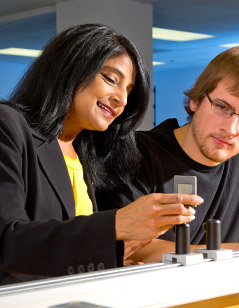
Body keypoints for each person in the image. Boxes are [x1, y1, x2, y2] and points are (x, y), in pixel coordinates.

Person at [0, 23, 202, 285]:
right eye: (111, 79)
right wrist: (117, 224)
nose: (121, 99)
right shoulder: (8, 125)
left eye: (128, 90)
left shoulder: (86, 151)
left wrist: (118, 252)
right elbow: (8, 242)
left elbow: (63, 248)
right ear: (70, 68)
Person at [98, 46, 239, 263]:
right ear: (196, 101)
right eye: (221, 107)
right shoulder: (136, 152)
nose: (230, 129)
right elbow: (132, 248)